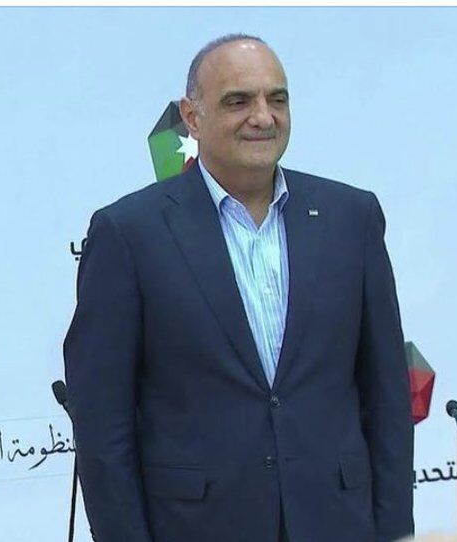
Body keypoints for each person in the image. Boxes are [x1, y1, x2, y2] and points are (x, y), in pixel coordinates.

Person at [63, 34, 413, 542]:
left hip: (338, 522)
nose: (263, 117)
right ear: (192, 117)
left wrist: (397, 532)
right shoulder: (129, 233)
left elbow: (386, 395)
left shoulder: (351, 217)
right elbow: (102, 422)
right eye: (238, 101)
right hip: (196, 526)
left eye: (277, 99)